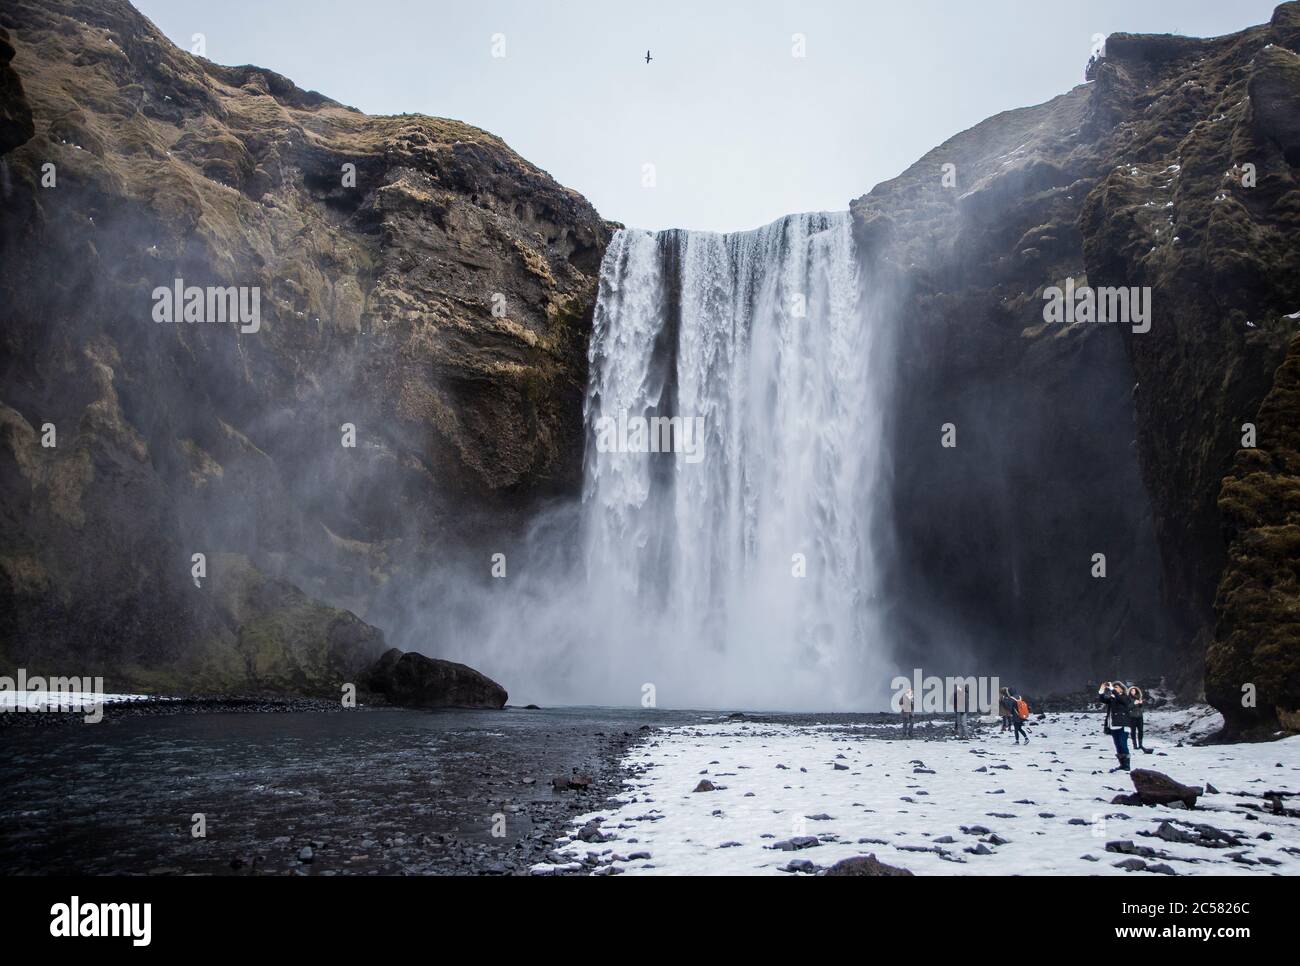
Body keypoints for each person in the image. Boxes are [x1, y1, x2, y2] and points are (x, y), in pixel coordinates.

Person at [1098, 680, 1132, 771]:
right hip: (1113, 725)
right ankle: (1122, 764)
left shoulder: (1125, 697)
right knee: (1117, 745)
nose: (1114, 689)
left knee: (1123, 744)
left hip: (1123, 725)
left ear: (1121, 689)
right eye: (1114, 687)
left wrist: (1112, 689)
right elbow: (1103, 700)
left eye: (1117, 687)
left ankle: (1127, 765)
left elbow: (1122, 701)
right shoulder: (1113, 698)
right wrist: (1102, 690)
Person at [1128, 685, 1146, 752]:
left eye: (1134, 691)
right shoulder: (1128, 698)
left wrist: (1141, 704)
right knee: (1133, 731)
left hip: (1140, 717)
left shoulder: (1139, 698)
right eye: (1132, 691)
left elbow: (1142, 709)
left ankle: (1140, 744)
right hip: (1132, 717)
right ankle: (1134, 745)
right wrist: (1134, 704)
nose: (1133, 692)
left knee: (1140, 731)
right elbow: (1128, 708)